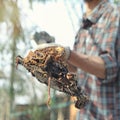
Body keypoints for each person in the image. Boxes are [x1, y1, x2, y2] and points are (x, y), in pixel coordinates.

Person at [37, 0, 120, 119]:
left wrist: (68, 54)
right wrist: (54, 55)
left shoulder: (115, 15)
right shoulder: (83, 26)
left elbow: (109, 66)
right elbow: (77, 69)